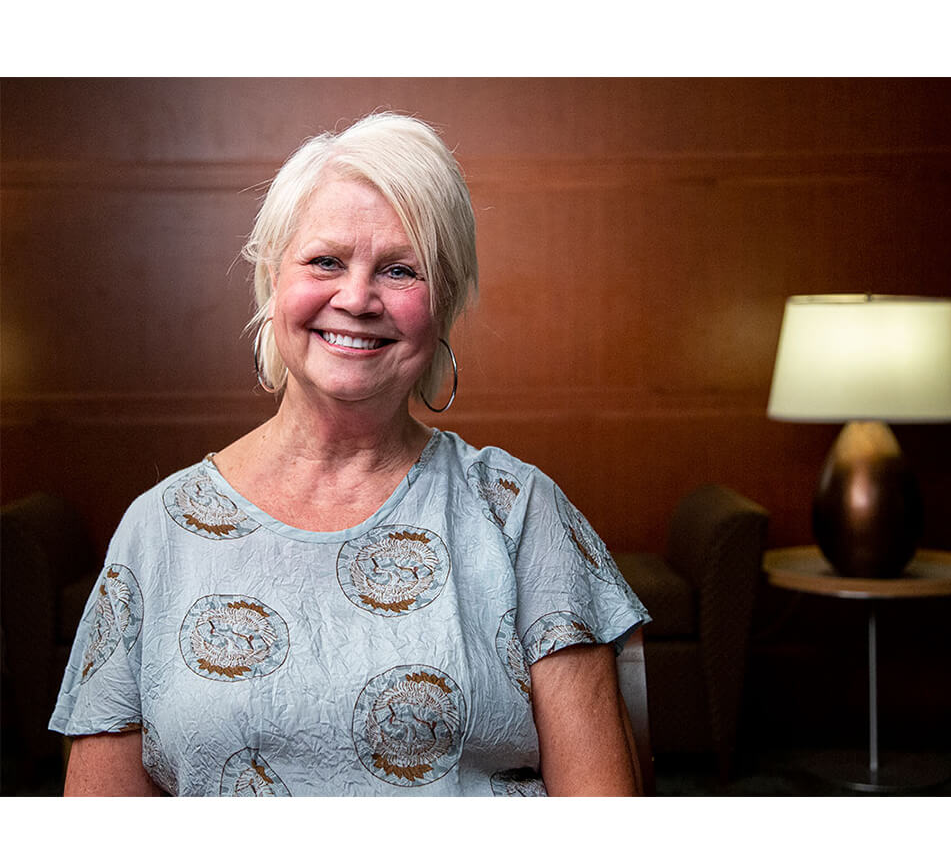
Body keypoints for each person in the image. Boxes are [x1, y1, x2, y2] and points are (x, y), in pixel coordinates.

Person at [50, 112, 649, 796]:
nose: (357, 298)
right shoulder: (157, 530)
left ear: (443, 305)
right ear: (274, 280)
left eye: (400, 270)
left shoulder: (519, 513)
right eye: (325, 261)